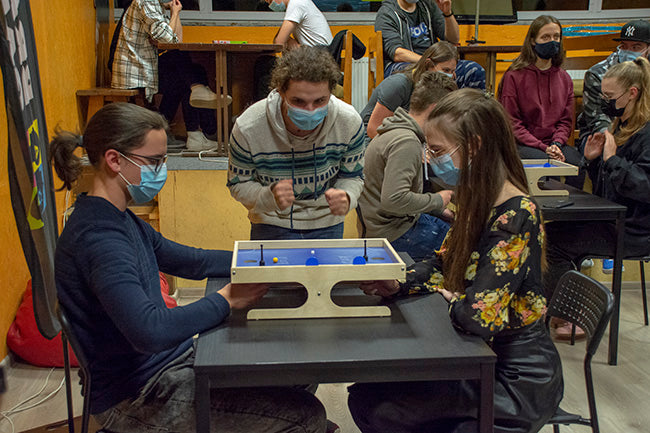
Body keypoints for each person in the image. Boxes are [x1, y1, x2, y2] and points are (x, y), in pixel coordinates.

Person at [50, 102, 327, 432]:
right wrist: (227, 299)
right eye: (154, 162)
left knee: (295, 373)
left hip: (169, 363)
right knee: (306, 416)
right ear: (114, 160)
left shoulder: (119, 218)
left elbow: (193, 260)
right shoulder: (99, 239)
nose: (161, 170)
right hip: (137, 395)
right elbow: (150, 331)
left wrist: (271, 258)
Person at [347, 88, 563, 433]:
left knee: (384, 410)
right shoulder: (476, 201)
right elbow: (441, 266)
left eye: (436, 150)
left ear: (473, 147)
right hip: (477, 356)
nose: (429, 158)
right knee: (366, 396)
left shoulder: (517, 214)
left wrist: (453, 299)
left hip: (512, 376)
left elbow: (479, 317)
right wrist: (398, 282)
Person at [544, 57, 650, 339]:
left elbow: (643, 187)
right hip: (614, 218)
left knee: (556, 241)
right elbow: (611, 187)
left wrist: (612, 160)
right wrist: (592, 161)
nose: (605, 102)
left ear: (633, 93)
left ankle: (569, 316)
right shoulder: (620, 125)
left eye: (610, 97)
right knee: (549, 232)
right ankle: (555, 308)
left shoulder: (646, 134)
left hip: (637, 229)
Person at [228, 46, 365, 240]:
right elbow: (237, 184)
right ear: (281, 92)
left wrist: (347, 196)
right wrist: (268, 197)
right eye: (299, 101)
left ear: (332, 92)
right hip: (270, 224)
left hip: (328, 224)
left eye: (320, 101)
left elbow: (354, 177)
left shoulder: (349, 122)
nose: (310, 110)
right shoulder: (248, 127)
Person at [358, 71, 457, 261]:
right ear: (436, 109)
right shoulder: (406, 142)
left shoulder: (397, 130)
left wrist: (437, 209)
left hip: (399, 224)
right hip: (396, 234)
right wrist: (437, 200)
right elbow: (394, 200)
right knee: (467, 248)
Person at [112, 0, 227, 151]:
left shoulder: (156, 6)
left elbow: (176, 41)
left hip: (145, 66)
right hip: (135, 71)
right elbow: (166, 39)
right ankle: (202, 130)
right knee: (186, 74)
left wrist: (175, 13)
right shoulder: (147, 1)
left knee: (190, 70)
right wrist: (172, 20)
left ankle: (194, 126)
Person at [498, 15, 584, 189]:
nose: (552, 41)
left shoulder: (564, 78)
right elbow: (512, 123)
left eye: (556, 37)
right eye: (545, 37)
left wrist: (556, 144)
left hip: (554, 143)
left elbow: (565, 122)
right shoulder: (514, 76)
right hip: (522, 144)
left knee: (578, 163)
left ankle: (573, 212)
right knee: (547, 166)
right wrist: (543, 148)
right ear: (532, 41)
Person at [375, 0, 484, 88]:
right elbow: (397, 53)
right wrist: (428, 63)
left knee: (473, 70)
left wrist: (448, 13)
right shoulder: (387, 13)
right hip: (403, 65)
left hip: (435, 61)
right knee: (427, 74)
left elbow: (453, 39)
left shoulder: (428, 6)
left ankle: (467, 113)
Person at [361, 41, 457, 139]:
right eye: (446, 70)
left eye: (452, 71)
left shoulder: (437, 89)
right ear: (428, 64)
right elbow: (373, 129)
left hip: (406, 138)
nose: (450, 75)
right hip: (372, 140)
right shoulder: (399, 85)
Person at [577, 19, 650, 149]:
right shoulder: (597, 74)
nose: (628, 51)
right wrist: (620, 142)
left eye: (635, 47)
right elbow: (598, 121)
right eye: (624, 46)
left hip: (643, 135)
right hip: (604, 135)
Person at [265, 0, 333, 49]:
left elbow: (279, 42)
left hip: (319, 56)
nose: (271, 6)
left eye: (271, 1)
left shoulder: (296, 4)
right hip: (321, 53)